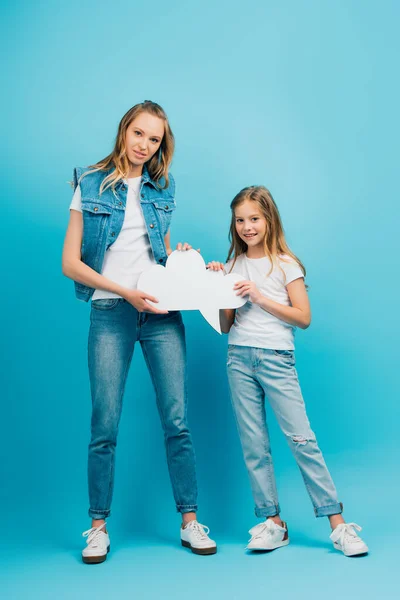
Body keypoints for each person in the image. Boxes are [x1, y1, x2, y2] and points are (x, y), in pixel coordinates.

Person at [62, 101, 216, 563]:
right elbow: (71, 263)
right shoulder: (89, 183)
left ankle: (190, 522)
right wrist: (124, 293)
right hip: (112, 310)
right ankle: (97, 527)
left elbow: (158, 253)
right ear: (124, 129)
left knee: (177, 420)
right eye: (139, 133)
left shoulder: (162, 187)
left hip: (162, 313)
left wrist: (180, 257)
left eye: (154, 139)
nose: (144, 145)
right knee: (104, 423)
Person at [207, 185, 368, 557]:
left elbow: (304, 318)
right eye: (240, 220)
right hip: (238, 358)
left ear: (268, 219)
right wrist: (218, 288)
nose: (247, 226)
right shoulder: (232, 265)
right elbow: (226, 325)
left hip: (276, 358)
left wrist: (260, 298)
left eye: (254, 219)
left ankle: (338, 524)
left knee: (301, 440)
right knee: (254, 446)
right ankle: (273, 523)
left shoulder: (285, 264)